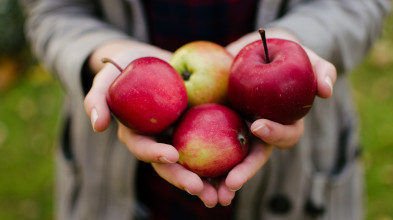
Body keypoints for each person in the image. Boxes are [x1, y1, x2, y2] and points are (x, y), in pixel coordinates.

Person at [21, 0, 390, 219]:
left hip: (298, 176)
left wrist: (296, 40)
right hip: (119, 180)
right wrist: (105, 52)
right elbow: (52, 10)